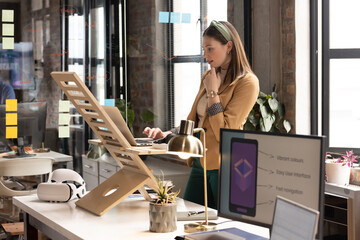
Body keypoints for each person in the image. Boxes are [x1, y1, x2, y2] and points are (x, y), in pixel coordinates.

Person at [143, 20, 259, 209]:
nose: (205, 55)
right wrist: (167, 134)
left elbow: (226, 131)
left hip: (227, 166)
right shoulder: (208, 76)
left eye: (210, 49)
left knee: (224, 226)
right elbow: (195, 120)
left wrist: (213, 94)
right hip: (200, 162)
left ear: (229, 46)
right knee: (190, 220)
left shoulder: (247, 82)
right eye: (204, 49)